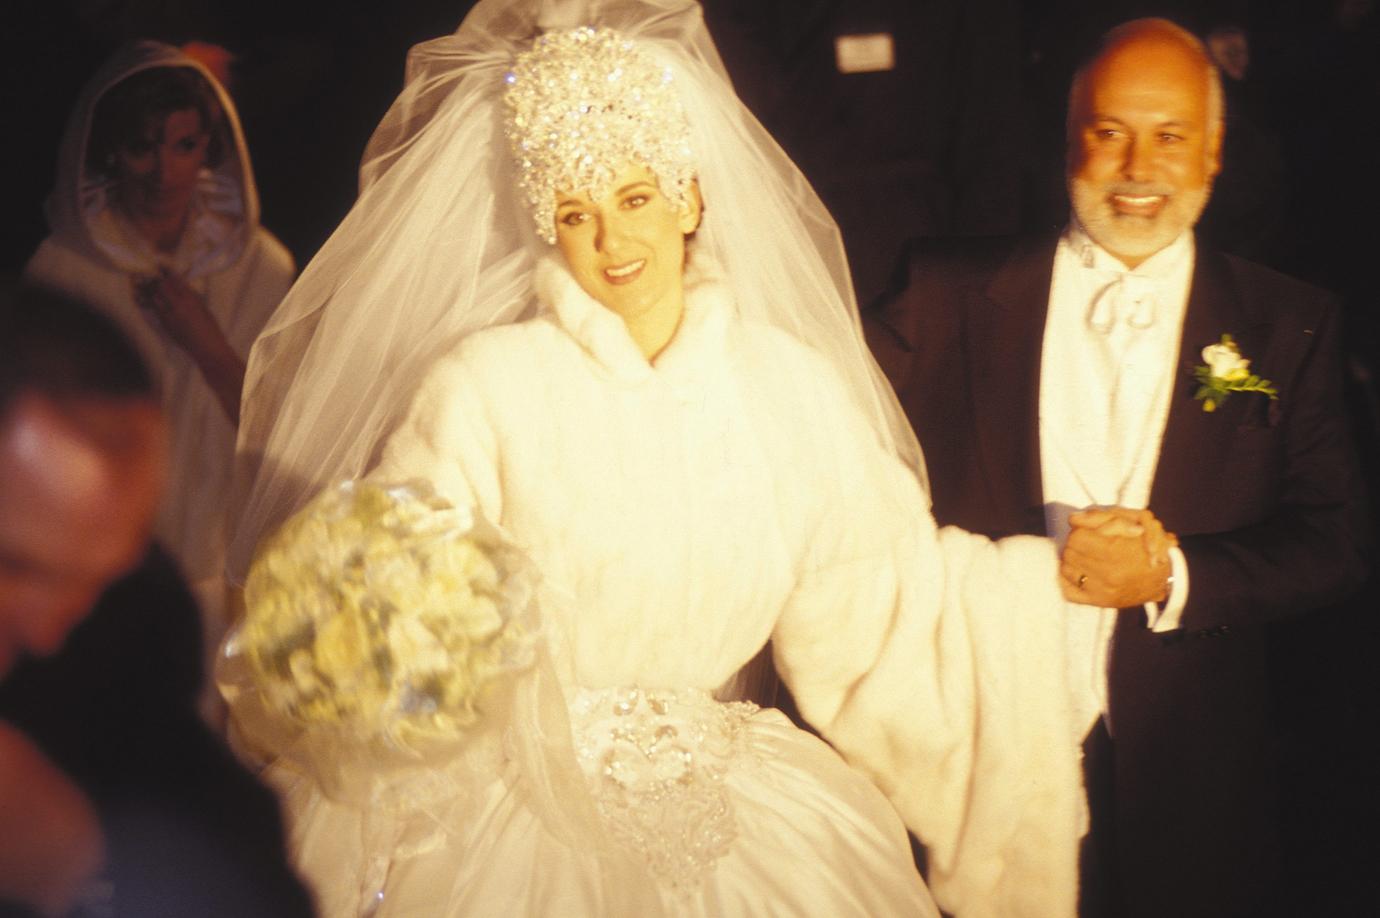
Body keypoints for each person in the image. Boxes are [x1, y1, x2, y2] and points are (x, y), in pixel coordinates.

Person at [226, 2, 1171, 915]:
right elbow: (403, 607)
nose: (611, 238)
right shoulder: (484, 389)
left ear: (690, 199)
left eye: (635, 197)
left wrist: (1051, 582)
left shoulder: (787, 388)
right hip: (516, 826)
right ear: (545, 223)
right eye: (576, 209)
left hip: (753, 820)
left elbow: (887, 607)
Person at [867, 17, 1369, 918]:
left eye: (1170, 137)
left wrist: (1175, 572)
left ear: (1214, 153)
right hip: (970, 767)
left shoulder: (1288, 322)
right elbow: (836, 472)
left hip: (1193, 785)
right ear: (1070, 144)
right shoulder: (940, 293)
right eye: (1111, 132)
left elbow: (1338, 541)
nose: (1139, 167)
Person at [0, 283, 314, 917]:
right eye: (16, 568)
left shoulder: (130, 623)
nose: (50, 632)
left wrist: (85, 859)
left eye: (98, 576)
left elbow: (244, 859)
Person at [24, 41, 296, 698]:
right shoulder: (64, 269)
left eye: (183, 145)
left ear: (210, 147)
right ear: (108, 150)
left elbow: (286, 434)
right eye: (142, 146)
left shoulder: (261, 268)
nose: (162, 170)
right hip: (103, 581)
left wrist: (206, 345)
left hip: (225, 572)